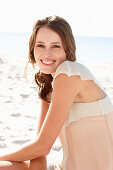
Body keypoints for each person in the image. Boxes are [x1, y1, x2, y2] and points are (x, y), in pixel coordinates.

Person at [0, 15, 113, 170]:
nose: (47, 53)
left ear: (67, 48)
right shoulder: (49, 86)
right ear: (32, 49)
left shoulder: (70, 72)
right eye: (40, 45)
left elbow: (42, 147)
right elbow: (39, 152)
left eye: (55, 46)